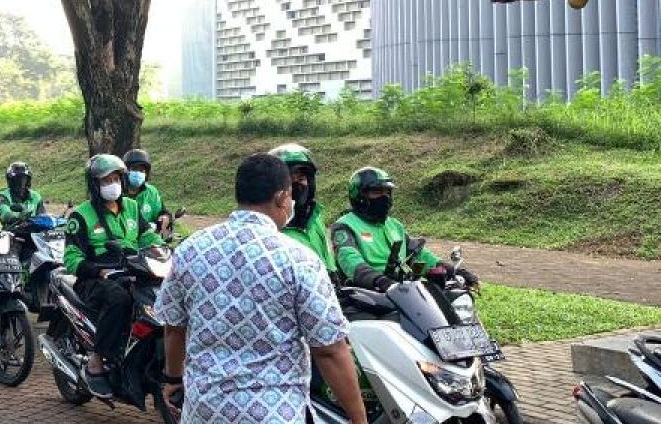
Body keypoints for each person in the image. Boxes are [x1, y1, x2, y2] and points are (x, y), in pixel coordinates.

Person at [155, 153, 367, 424]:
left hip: (204, 410)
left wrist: (174, 377)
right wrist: (359, 420)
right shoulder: (298, 259)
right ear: (281, 197)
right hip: (272, 412)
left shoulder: (191, 250)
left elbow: (174, 327)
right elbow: (329, 349)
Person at [63, 153, 164, 399]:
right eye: (106, 180)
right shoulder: (81, 215)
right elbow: (71, 258)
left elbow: (149, 238)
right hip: (95, 278)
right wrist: (98, 270)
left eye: (116, 178)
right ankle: (96, 361)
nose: (113, 185)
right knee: (120, 299)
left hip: (132, 270)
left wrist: (164, 252)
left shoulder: (132, 207)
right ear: (95, 185)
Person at [331, 167, 478, 291]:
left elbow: (416, 255)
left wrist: (448, 269)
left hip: (401, 291)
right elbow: (350, 260)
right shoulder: (345, 226)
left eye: (387, 192)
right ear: (359, 195)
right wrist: (379, 280)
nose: (384, 197)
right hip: (366, 294)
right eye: (377, 192)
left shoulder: (394, 225)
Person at [270, 143, 335, 272]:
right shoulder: (273, 227)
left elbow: (327, 257)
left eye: (301, 178)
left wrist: (332, 273)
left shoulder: (314, 218)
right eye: (289, 180)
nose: (297, 185)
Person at [122, 148, 170, 230]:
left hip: (149, 237)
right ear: (126, 171)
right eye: (134, 169)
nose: (138, 173)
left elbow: (162, 211)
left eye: (141, 170)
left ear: (146, 174)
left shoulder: (151, 192)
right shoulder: (118, 193)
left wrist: (165, 217)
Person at [0, 161, 45, 227]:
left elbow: (42, 216)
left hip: (34, 233)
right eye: (17, 179)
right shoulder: (3, 195)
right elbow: (5, 214)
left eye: (23, 179)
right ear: (10, 180)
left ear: (28, 180)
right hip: (12, 232)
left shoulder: (36, 197)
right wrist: (18, 219)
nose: (20, 182)